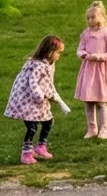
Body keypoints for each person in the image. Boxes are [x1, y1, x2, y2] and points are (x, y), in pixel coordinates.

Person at [5, 35, 65, 165]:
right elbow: (33, 82)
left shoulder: (48, 65)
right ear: (50, 52)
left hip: (37, 101)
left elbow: (47, 82)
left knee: (48, 121)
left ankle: (41, 146)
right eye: (58, 53)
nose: (59, 56)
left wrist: (53, 96)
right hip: (26, 100)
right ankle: (26, 153)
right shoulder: (38, 66)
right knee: (31, 126)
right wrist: (39, 95)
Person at [77, 3, 107, 136]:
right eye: (88, 18)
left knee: (101, 100)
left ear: (102, 17)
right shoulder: (86, 34)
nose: (90, 21)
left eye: (93, 17)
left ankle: (105, 128)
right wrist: (83, 54)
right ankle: (92, 128)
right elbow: (80, 48)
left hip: (102, 70)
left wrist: (98, 57)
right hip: (89, 69)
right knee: (88, 100)